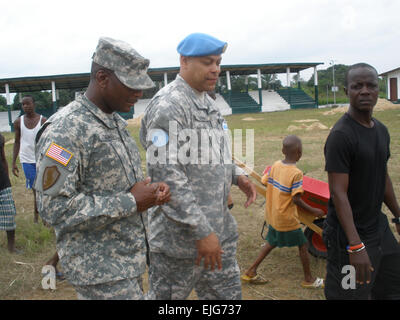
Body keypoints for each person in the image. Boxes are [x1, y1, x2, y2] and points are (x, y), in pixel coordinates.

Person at [34, 37, 171, 300]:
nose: (139, 93)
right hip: (100, 272)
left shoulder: (114, 122)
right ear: (102, 78)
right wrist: (131, 201)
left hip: (126, 263)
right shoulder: (65, 130)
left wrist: (148, 192)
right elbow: (53, 209)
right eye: (131, 85)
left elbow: (116, 185)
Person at [140, 32, 257, 300]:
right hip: (180, 242)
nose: (215, 69)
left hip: (219, 232)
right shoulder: (169, 105)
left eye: (218, 62)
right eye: (207, 62)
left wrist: (236, 176)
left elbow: (215, 150)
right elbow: (166, 175)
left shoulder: (206, 101)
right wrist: (201, 232)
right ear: (184, 61)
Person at [323, 63, 400, 300]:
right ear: (347, 91)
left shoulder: (381, 130)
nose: (365, 91)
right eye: (357, 86)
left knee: (392, 287)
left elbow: (382, 175)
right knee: (349, 295)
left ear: (379, 90)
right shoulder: (341, 136)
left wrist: (398, 215)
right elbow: (338, 193)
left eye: (371, 85)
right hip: (348, 235)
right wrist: (356, 246)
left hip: (377, 226)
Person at [241, 135, 325, 288]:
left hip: (274, 215)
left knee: (271, 242)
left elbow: (264, 181)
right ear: (299, 152)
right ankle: (309, 279)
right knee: (303, 244)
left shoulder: (276, 165)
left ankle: (250, 271)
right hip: (287, 219)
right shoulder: (296, 173)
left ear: (282, 150)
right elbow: (296, 199)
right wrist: (315, 211)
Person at [12, 95, 47, 223]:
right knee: (35, 189)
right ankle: (37, 216)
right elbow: (16, 142)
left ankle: (41, 216)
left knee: (43, 189)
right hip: (26, 160)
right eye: (23, 104)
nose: (26, 106)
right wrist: (13, 163)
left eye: (28, 103)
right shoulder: (18, 122)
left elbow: (48, 141)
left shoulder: (43, 121)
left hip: (41, 159)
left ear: (34, 104)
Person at [0, 133, 18, 253]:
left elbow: (3, 159)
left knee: (9, 212)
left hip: (2, 181)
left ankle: (11, 248)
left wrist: (7, 177)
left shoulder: (0, 138)